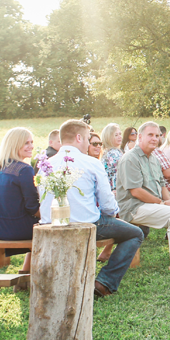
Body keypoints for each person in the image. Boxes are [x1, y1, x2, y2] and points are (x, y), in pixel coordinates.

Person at [40, 119, 145, 299]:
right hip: (86, 223)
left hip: (49, 224)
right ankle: (104, 282)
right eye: (89, 139)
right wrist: (112, 214)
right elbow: (108, 205)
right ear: (79, 137)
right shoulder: (91, 163)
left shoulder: (46, 165)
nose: (89, 143)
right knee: (136, 233)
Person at [115, 123, 170, 272]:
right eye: (150, 135)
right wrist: (162, 203)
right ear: (140, 137)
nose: (154, 139)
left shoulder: (153, 158)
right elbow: (136, 191)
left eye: (157, 136)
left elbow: (162, 184)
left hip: (154, 204)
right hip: (134, 207)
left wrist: (168, 200)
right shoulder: (130, 158)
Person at [0, 128, 40, 278]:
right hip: (18, 228)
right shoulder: (24, 170)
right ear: (14, 145)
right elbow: (32, 207)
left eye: (32, 142)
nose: (31, 146)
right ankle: (37, 275)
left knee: (40, 225)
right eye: (26, 143)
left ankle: (25, 272)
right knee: (50, 227)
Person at [100, 123, 124, 188]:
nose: (119, 137)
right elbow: (117, 174)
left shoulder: (111, 151)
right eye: (116, 135)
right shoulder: (113, 154)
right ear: (109, 138)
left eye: (120, 134)